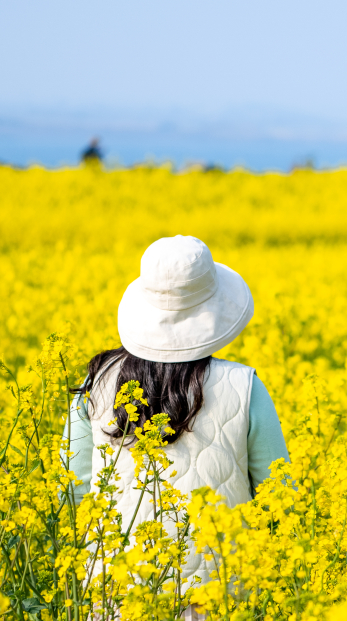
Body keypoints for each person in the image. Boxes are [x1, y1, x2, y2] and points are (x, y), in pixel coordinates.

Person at [62, 235, 288, 589]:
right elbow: (281, 499)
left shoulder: (97, 384)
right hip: (219, 603)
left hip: (114, 602)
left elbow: (70, 493)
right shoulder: (245, 387)